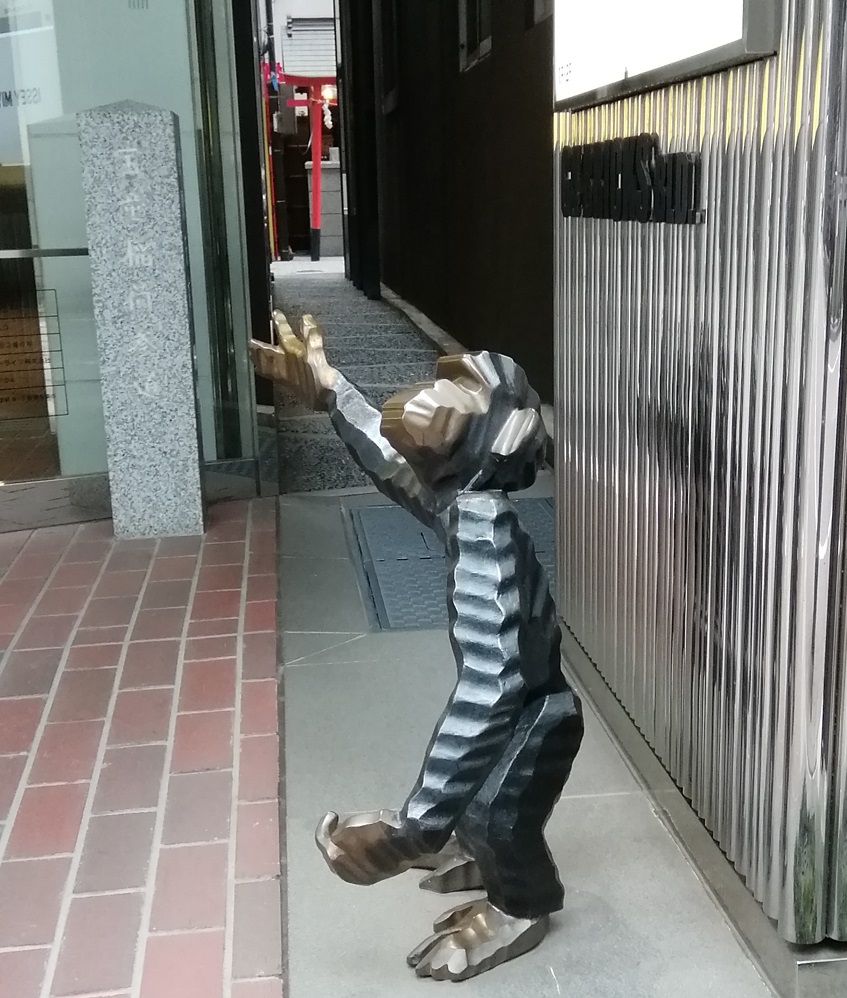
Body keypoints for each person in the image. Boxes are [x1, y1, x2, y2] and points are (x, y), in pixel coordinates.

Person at [251, 313, 584, 981]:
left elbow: (490, 696)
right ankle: (474, 845)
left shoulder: (486, 547)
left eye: (460, 394)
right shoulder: (464, 500)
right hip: (522, 701)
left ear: (491, 440)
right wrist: (329, 389)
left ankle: (521, 904)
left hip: (535, 717)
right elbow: (389, 462)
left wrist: (412, 829)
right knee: (479, 793)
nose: (430, 395)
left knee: (496, 808)